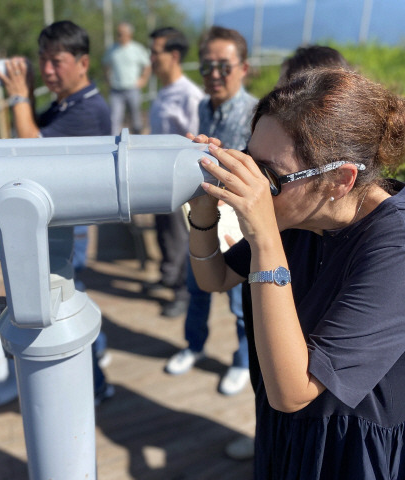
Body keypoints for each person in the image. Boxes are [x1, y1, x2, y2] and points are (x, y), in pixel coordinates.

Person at [188, 67, 405, 478]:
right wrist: (204, 213)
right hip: (298, 436)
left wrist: (264, 240)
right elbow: (214, 278)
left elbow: (292, 391)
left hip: (367, 454)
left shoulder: (404, 253)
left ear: (340, 179)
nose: (255, 187)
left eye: (271, 176)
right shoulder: (304, 217)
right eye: (247, 159)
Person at [224, 44, 353, 461]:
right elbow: (214, 276)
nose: (279, 102)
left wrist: (263, 231)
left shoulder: (322, 209)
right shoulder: (297, 210)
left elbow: (294, 390)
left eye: (290, 91)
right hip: (281, 406)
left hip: (333, 427)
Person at [0, 20, 114, 406]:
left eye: (56, 61)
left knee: (62, 306)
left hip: (69, 232)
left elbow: (31, 146)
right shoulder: (67, 104)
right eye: (42, 61)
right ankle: (100, 355)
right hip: (64, 227)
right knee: (72, 297)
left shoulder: (88, 110)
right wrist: (26, 98)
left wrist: (18, 98)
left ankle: (95, 384)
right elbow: (31, 133)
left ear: (83, 62)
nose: (47, 70)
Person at [165, 26, 257, 397]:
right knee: (196, 286)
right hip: (204, 212)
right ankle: (194, 345)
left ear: (244, 68)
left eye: (223, 66)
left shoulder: (254, 113)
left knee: (240, 301)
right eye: (206, 67)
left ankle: (242, 362)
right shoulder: (204, 106)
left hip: (237, 219)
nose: (214, 75)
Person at [145, 26, 204, 317]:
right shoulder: (164, 91)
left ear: (174, 55)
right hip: (158, 178)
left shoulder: (189, 96)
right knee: (165, 233)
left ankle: (183, 291)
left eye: (155, 53)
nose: (151, 59)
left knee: (181, 237)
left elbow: (196, 141)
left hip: (178, 183)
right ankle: (168, 276)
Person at [103, 22, 151, 135]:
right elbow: (105, 64)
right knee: (114, 120)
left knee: (136, 120)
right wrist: (107, 80)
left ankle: (139, 143)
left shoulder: (137, 49)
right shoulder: (112, 49)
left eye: (121, 33)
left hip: (132, 88)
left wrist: (143, 79)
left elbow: (147, 65)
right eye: (118, 34)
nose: (119, 36)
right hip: (116, 90)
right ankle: (112, 144)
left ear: (129, 34)